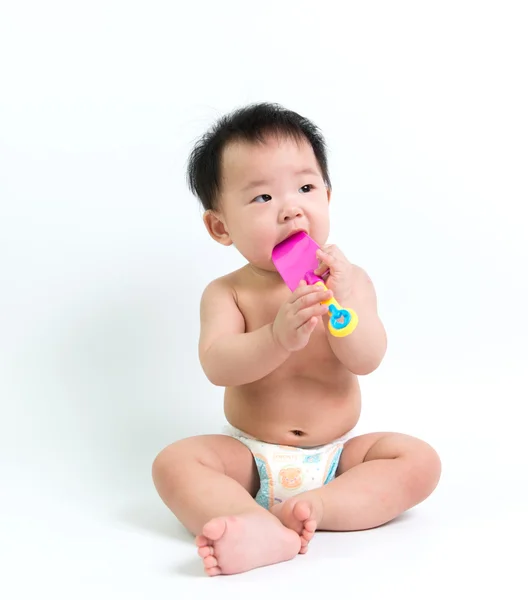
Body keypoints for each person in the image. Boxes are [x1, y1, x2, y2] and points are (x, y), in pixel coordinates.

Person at [152, 103, 441, 576]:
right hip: (249, 456)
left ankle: (316, 509)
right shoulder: (229, 293)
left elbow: (368, 359)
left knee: (418, 460)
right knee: (175, 462)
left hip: (336, 459)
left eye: (306, 188)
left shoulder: (349, 281)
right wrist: (275, 337)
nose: (291, 208)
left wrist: (342, 308)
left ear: (328, 197)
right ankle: (248, 521)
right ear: (220, 226)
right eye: (262, 198)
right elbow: (217, 364)